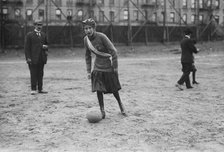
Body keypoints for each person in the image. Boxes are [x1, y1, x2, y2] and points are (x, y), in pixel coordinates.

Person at [83, 18, 126, 119]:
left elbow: (113, 52)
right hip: (97, 67)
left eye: (89, 28)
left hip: (108, 66)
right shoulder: (86, 40)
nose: (87, 31)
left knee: (114, 89)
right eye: (85, 28)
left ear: (94, 28)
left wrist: (115, 68)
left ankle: (120, 104)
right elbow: (87, 56)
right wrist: (89, 71)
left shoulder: (102, 36)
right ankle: (102, 110)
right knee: (98, 89)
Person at [24, 19, 48, 95]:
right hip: (33, 58)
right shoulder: (29, 35)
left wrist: (45, 47)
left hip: (41, 58)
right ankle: (33, 89)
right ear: (34, 25)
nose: (39, 26)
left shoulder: (44, 35)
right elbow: (27, 48)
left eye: (41, 25)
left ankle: (40, 89)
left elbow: (47, 45)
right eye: (38, 25)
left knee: (40, 74)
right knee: (33, 73)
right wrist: (28, 58)